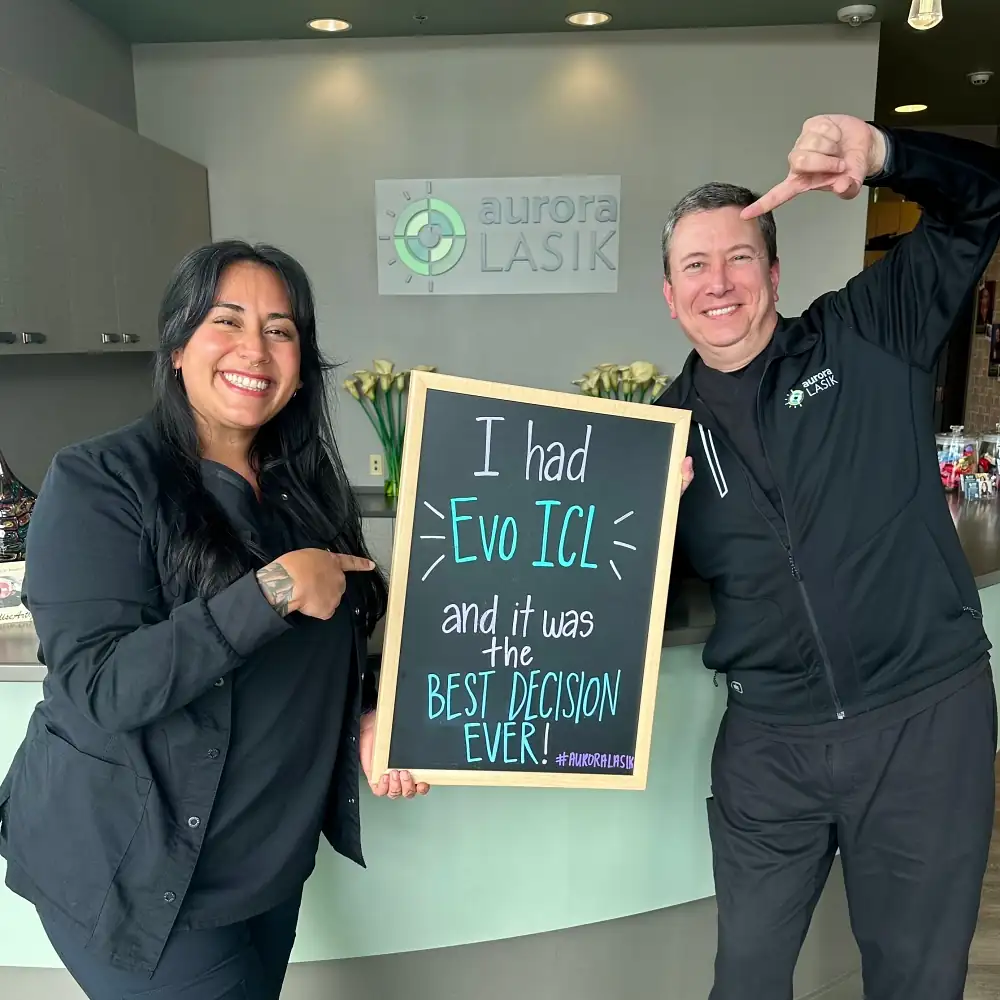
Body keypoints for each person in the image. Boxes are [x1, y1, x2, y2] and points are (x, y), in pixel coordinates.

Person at [0, 240, 428, 999]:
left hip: (266, 867)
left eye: (281, 329)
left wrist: (365, 714)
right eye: (226, 321)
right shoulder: (99, 480)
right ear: (176, 346)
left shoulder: (305, 487)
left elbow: (325, 646)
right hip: (136, 875)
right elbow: (101, 684)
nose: (254, 350)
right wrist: (269, 593)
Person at [656, 116, 1000, 1000]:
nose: (719, 283)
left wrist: (890, 156)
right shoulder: (652, 442)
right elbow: (608, 611)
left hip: (924, 721)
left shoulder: (867, 334)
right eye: (695, 266)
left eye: (740, 258)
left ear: (775, 272)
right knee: (747, 981)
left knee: (916, 982)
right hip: (769, 746)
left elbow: (985, 202)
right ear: (668, 295)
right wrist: (643, 538)